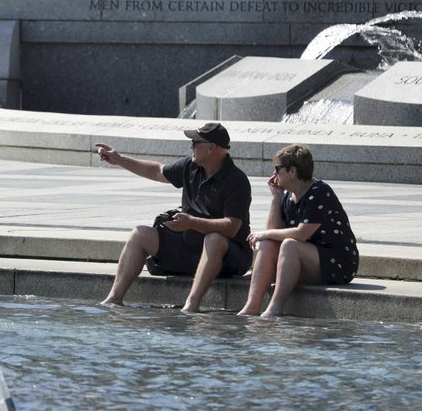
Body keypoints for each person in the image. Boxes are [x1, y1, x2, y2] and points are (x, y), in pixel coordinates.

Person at [96, 122, 252, 313]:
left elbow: (231, 227)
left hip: (228, 257)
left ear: (211, 147)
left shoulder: (237, 180)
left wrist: (192, 223)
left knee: (213, 239)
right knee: (140, 234)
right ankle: (113, 299)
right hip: (189, 248)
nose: (191, 146)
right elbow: (157, 171)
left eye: (195, 142)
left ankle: (191, 306)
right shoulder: (190, 166)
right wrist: (120, 160)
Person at [237, 144, 359, 318]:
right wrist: (276, 198)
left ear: (293, 171)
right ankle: (252, 306)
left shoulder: (319, 192)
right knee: (268, 243)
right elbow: (274, 231)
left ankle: (275, 308)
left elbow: (302, 234)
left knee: (289, 245)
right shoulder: (288, 195)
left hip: (338, 262)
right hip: (308, 258)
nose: (274, 175)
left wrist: (265, 233)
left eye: (278, 169)